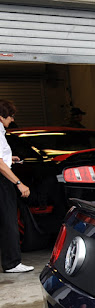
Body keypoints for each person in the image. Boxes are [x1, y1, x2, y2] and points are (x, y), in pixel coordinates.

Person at [0, 99, 33, 273]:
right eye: (10, 116)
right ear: (1, 116)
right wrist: (19, 183)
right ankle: (12, 263)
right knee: (9, 221)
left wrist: (9, 159)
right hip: (2, 181)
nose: (12, 120)